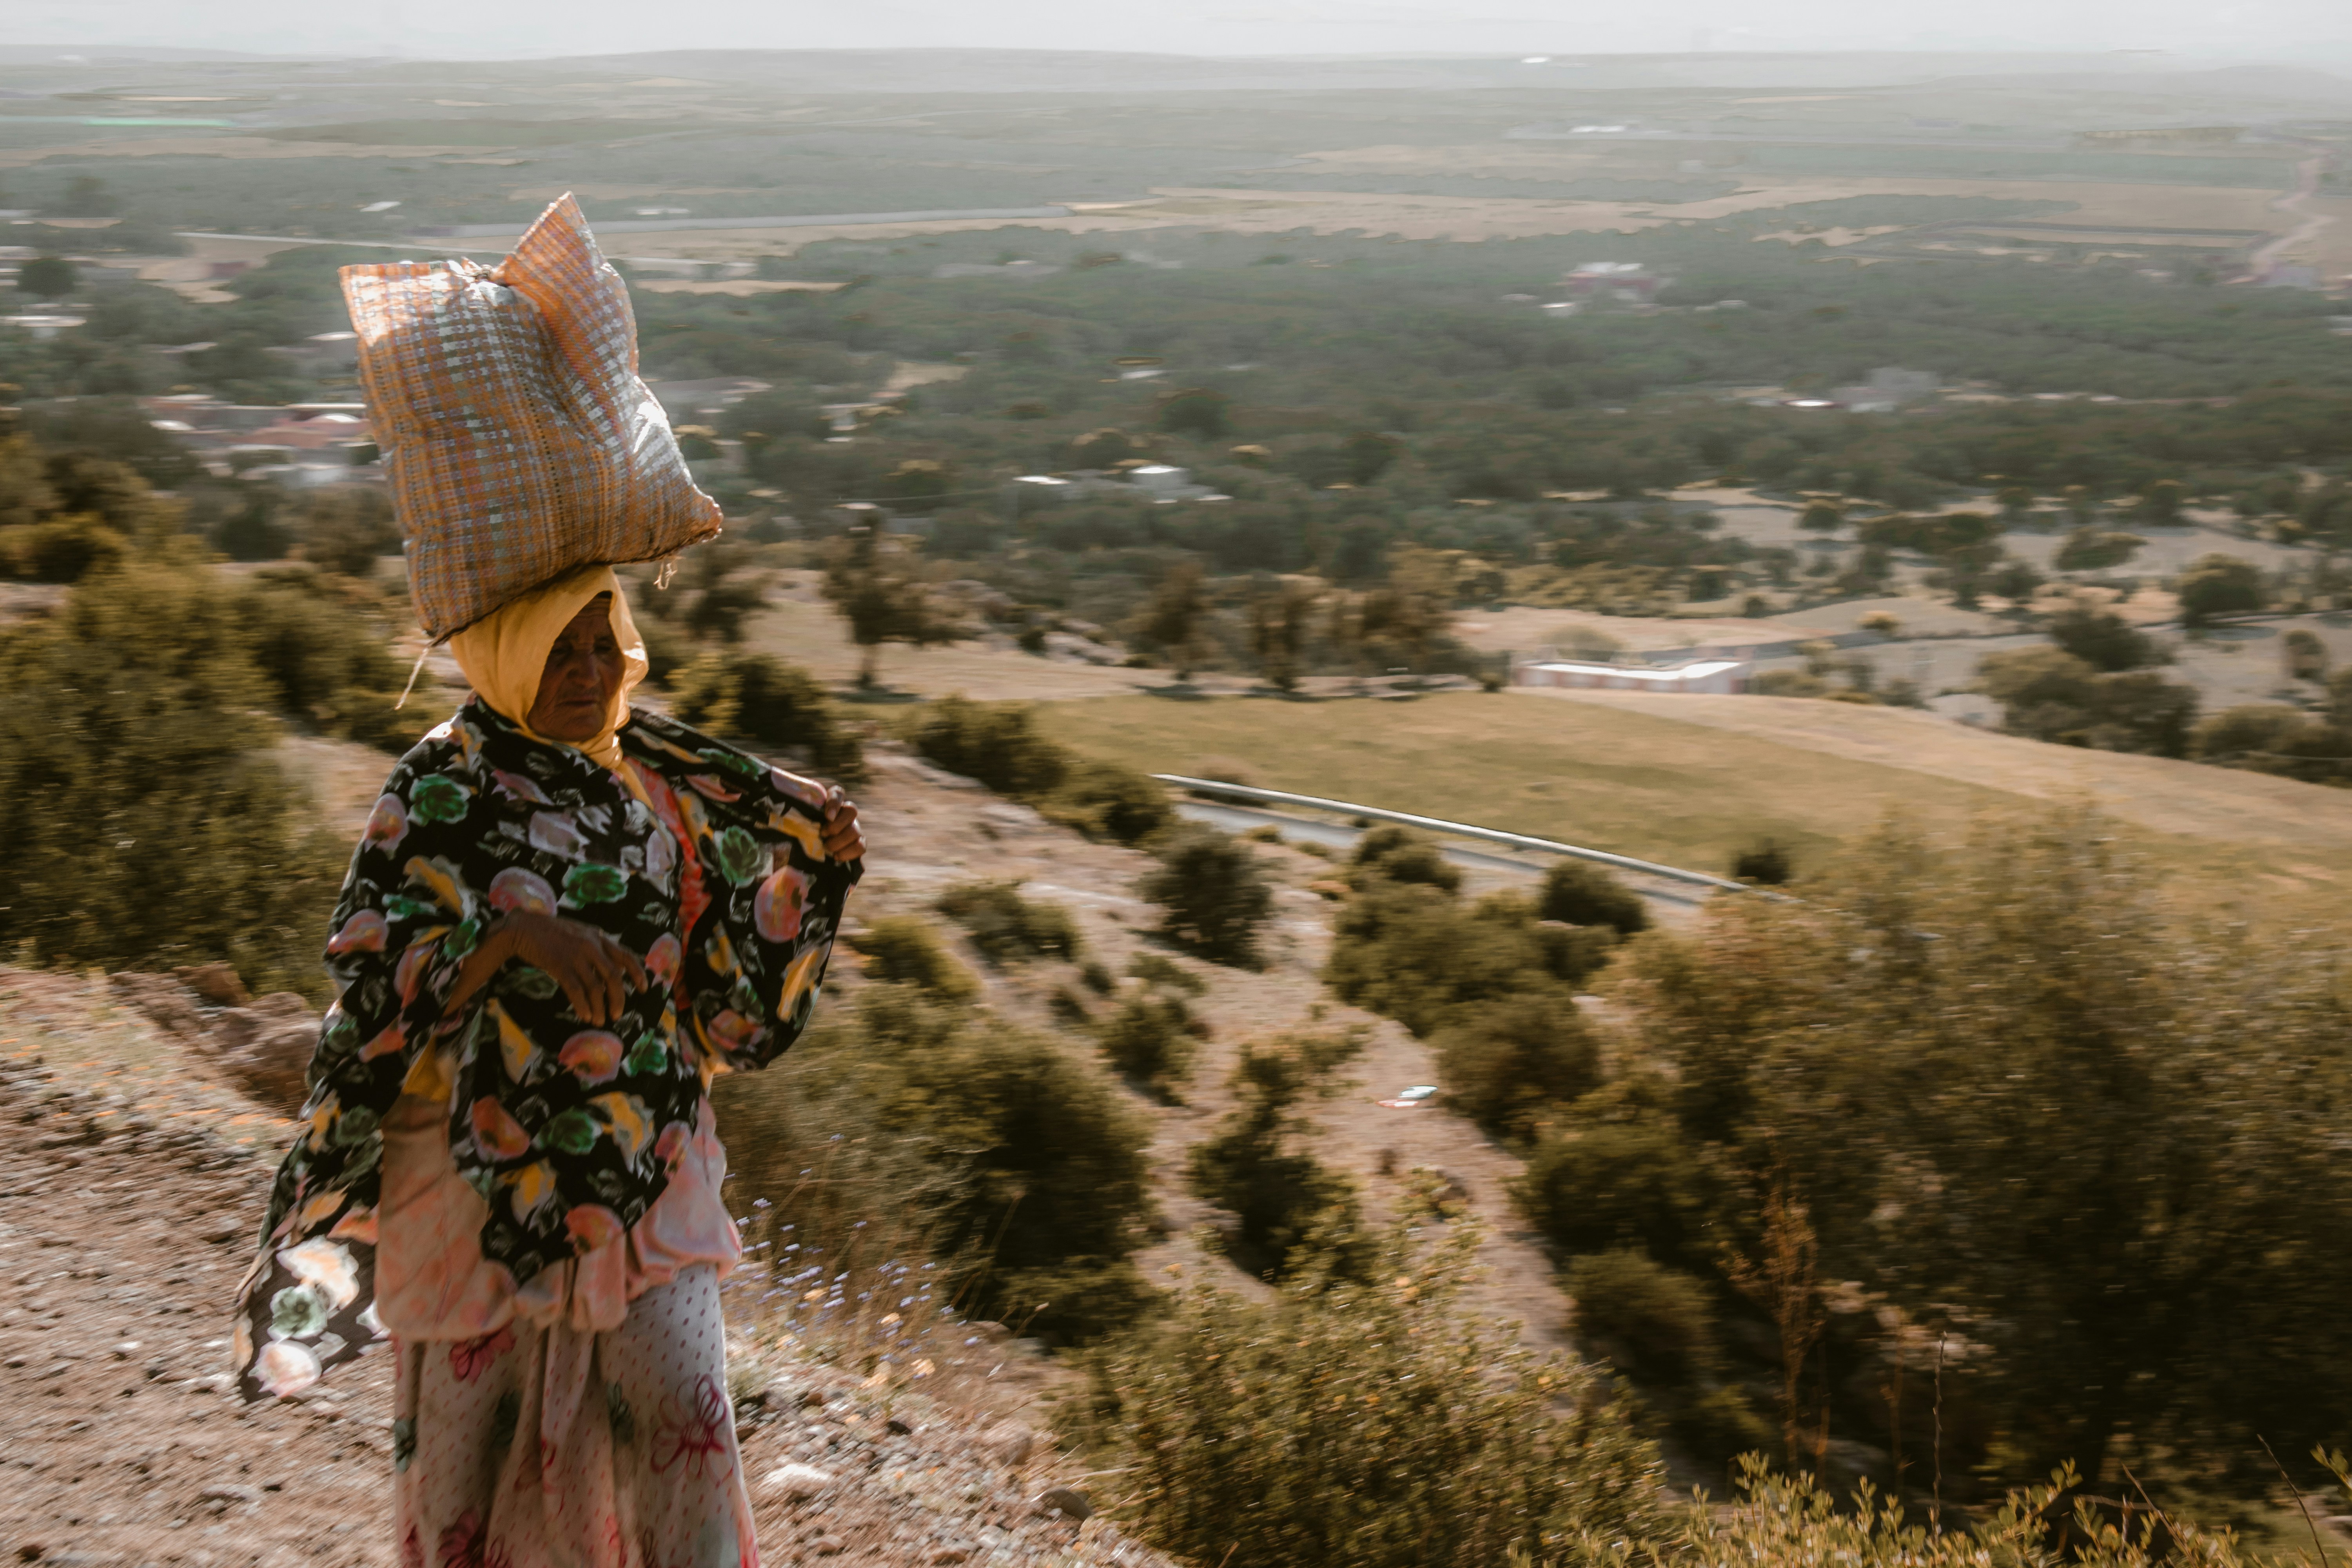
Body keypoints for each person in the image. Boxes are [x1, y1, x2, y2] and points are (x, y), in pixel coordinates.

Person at [234, 563, 863, 1568]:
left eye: (602, 643)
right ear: (508, 656)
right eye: (559, 648)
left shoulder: (659, 773)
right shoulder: (442, 783)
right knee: (467, 1467)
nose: (588, 669)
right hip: (467, 1178)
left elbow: (728, 979)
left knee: (686, 1416)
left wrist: (813, 858)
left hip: (648, 1156)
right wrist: (510, 938)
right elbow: (368, 963)